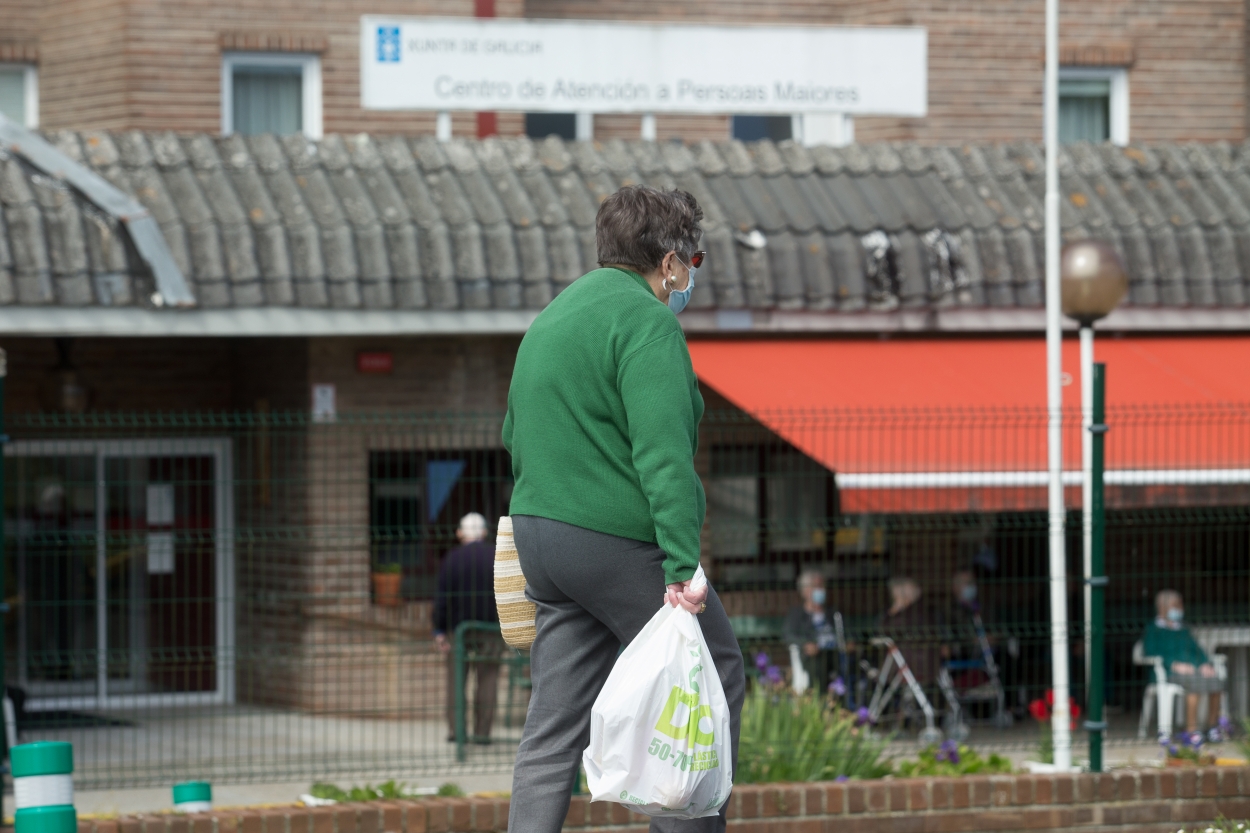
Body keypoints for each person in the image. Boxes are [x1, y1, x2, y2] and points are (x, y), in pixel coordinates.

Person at [502, 185, 746, 833]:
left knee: (553, 725)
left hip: (542, 540)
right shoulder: (646, 322)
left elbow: (513, 431)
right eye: (692, 260)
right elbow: (663, 455)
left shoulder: (554, 316)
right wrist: (680, 564)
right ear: (669, 262)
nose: (691, 274)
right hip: (614, 538)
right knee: (706, 672)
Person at [433, 512, 500, 744]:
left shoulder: (451, 558)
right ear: (484, 532)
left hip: (458, 629)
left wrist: (439, 630)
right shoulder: (496, 556)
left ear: (459, 533)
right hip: (491, 628)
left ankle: (456, 732)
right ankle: (482, 734)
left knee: (456, 680)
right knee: (488, 679)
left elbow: (442, 598)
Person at [1142, 589, 1226, 744]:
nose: (1179, 609)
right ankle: (1191, 730)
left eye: (1179, 606)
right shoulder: (1154, 629)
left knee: (1216, 683)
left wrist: (1205, 664)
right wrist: (1174, 665)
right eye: (1175, 606)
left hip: (1193, 670)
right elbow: (1150, 651)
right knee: (1194, 685)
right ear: (1162, 607)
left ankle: (1212, 727)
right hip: (1168, 673)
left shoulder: (1183, 629)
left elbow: (1198, 650)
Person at [784, 570, 841, 695]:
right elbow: (789, 636)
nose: (822, 590)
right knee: (818, 665)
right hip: (814, 657)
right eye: (817, 586)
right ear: (805, 591)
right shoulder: (797, 614)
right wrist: (806, 644)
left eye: (822, 586)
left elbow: (844, 632)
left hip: (836, 654)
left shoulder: (833, 613)